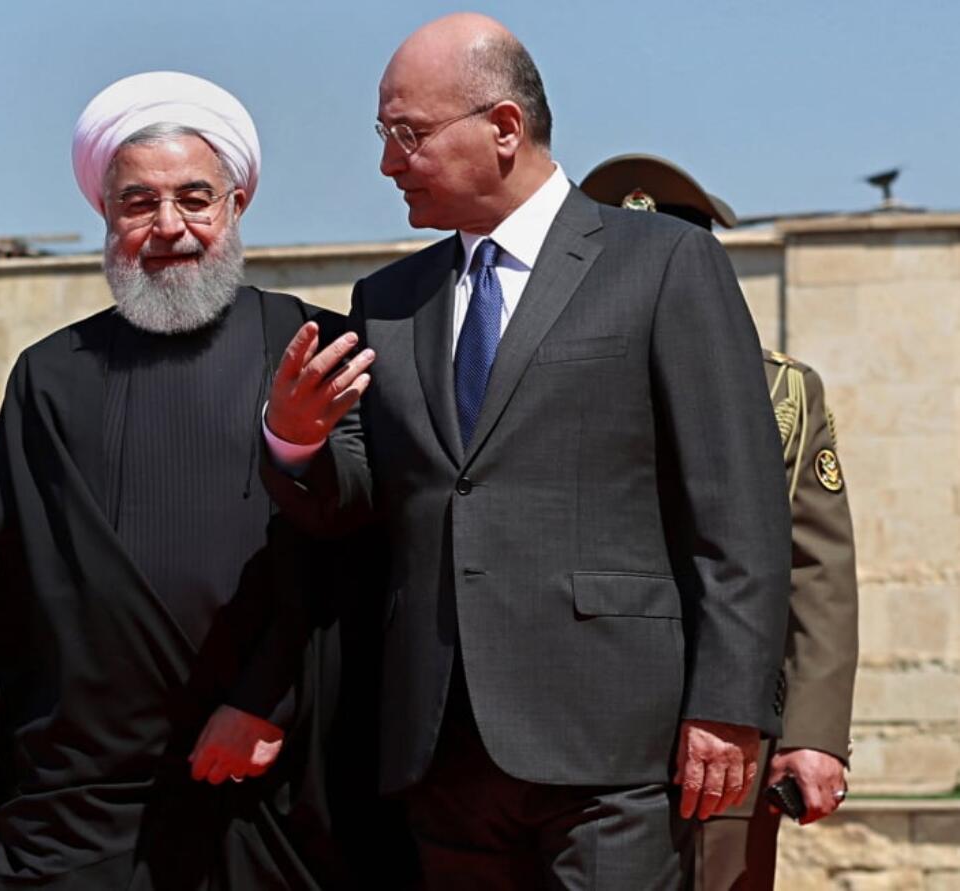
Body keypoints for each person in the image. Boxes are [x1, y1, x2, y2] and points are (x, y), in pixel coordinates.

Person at [261, 14, 792, 889]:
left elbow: (736, 505)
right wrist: (297, 440)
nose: (389, 162)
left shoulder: (662, 264)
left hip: (616, 747)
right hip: (442, 752)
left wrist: (730, 704)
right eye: (383, 136)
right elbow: (362, 497)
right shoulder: (389, 301)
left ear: (504, 128)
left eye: (409, 134)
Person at [0, 72, 345, 890]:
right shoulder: (51, 376)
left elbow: (351, 552)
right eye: (138, 203)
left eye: (194, 198)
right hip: (77, 797)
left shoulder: (313, 346)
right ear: (105, 215)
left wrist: (264, 698)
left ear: (238, 205)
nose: (168, 226)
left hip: (263, 780)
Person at [580, 152, 859, 890]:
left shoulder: (782, 393)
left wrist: (815, 734)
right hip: (566, 724)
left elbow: (816, 570)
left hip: (723, 729)